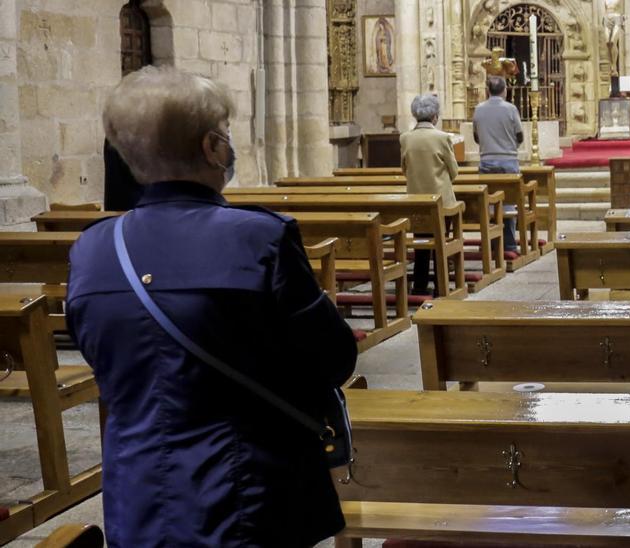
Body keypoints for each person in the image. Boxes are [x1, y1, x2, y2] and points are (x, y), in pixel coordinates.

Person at [66, 66, 357, 547]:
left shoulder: (93, 249)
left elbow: (101, 355)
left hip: (136, 490)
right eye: (225, 134)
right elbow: (334, 358)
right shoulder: (258, 237)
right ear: (211, 147)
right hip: (246, 492)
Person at [401, 93, 458, 295]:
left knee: (421, 243)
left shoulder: (405, 138)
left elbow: (404, 168)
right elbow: (454, 172)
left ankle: (419, 284)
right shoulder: (442, 138)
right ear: (435, 116)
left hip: (416, 200)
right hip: (442, 201)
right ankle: (441, 286)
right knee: (440, 241)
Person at [473, 76, 521, 252]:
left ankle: (491, 242)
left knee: (489, 202)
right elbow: (520, 135)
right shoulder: (510, 109)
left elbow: (476, 136)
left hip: (486, 160)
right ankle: (508, 243)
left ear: (487, 91)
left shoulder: (478, 110)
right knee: (508, 201)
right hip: (508, 160)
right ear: (505, 90)